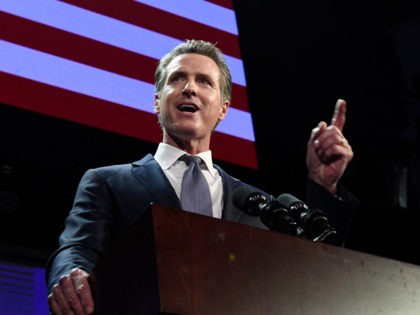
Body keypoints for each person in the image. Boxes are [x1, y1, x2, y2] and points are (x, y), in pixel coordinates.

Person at [46, 39, 357, 314]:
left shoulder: (258, 207)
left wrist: (323, 184)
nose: (190, 88)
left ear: (223, 109)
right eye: (178, 78)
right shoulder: (108, 182)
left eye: (204, 81)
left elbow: (317, 269)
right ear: (157, 101)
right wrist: (72, 275)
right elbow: (77, 249)